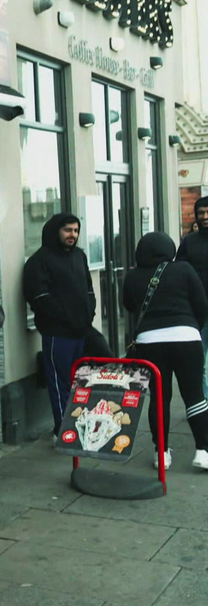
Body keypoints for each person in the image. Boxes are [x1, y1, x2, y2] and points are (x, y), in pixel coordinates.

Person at [124, 232, 208, 470]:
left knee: (159, 397)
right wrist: (192, 326)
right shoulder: (184, 269)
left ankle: (161, 453)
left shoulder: (132, 275)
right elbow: (201, 304)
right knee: (194, 396)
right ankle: (203, 450)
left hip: (150, 341)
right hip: (186, 337)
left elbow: (128, 306)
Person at [23, 213, 96, 440]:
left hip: (81, 331)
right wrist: (64, 317)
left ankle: (79, 425)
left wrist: (89, 312)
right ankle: (63, 431)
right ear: (56, 231)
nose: (72, 235)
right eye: (67, 230)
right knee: (59, 382)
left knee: (80, 381)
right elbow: (39, 297)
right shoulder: (39, 260)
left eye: (75, 230)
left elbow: (89, 289)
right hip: (57, 333)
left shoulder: (79, 256)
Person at [176, 196, 208, 398]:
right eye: (201, 212)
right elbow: (178, 271)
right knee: (199, 362)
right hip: (199, 313)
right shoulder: (189, 242)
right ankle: (203, 403)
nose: (205, 216)